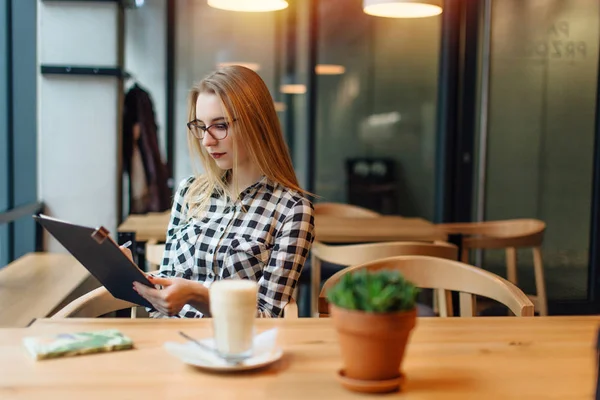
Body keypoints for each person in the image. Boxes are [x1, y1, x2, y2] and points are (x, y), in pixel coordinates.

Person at [130, 66, 315, 318]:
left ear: (256, 124)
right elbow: (167, 285)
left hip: (234, 351)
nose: (206, 141)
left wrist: (197, 295)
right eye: (200, 126)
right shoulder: (189, 193)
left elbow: (268, 317)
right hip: (169, 341)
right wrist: (131, 274)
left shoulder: (291, 209)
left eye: (220, 125)